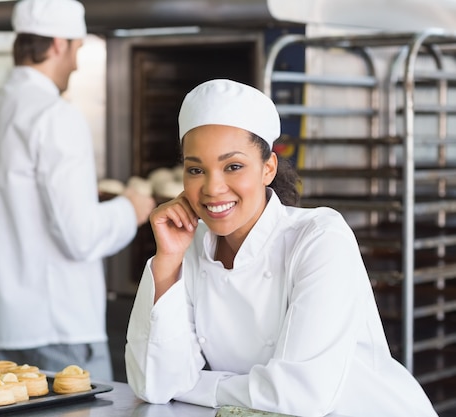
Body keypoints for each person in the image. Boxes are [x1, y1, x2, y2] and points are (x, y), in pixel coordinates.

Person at [124, 79, 438, 416]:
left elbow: (300, 395)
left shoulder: (319, 239)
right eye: (196, 169)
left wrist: (193, 384)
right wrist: (168, 260)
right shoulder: (187, 249)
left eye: (233, 166)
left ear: (268, 168)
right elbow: (152, 384)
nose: (212, 188)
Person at [0, 0, 155, 382]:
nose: (77, 63)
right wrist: (131, 208)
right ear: (59, 44)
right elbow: (81, 237)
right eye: (78, 48)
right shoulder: (55, 115)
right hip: (59, 329)